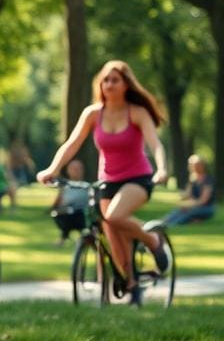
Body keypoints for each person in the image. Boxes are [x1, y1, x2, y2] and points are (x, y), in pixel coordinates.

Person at [37, 60, 169, 305]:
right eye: (105, 79)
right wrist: (52, 169)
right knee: (112, 230)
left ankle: (152, 240)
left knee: (115, 217)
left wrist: (161, 169)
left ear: (126, 84)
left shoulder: (136, 112)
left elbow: (156, 145)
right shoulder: (93, 114)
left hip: (137, 179)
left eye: (115, 79)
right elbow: (72, 144)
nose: (109, 84)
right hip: (107, 182)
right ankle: (131, 285)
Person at [162, 155, 215, 227]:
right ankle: (161, 223)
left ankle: (171, 225)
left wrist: (189, 205)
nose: (194, 167)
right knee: (178, 211)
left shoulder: (207, 180)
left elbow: (203, 200)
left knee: (186, 213)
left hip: (207, 208)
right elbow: (188, 194)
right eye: (192, 165)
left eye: (196, 165)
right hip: (196, 206)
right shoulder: (192, 179)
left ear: (202, 166)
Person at [50, 159, 89, 245]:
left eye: (79, 168)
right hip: (68, 213)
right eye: (73, 168)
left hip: (83, 214)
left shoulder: (88, 186)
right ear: (68, 170)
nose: (76, 171)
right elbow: (57, 202)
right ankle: (63, 237)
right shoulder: (64, 186)